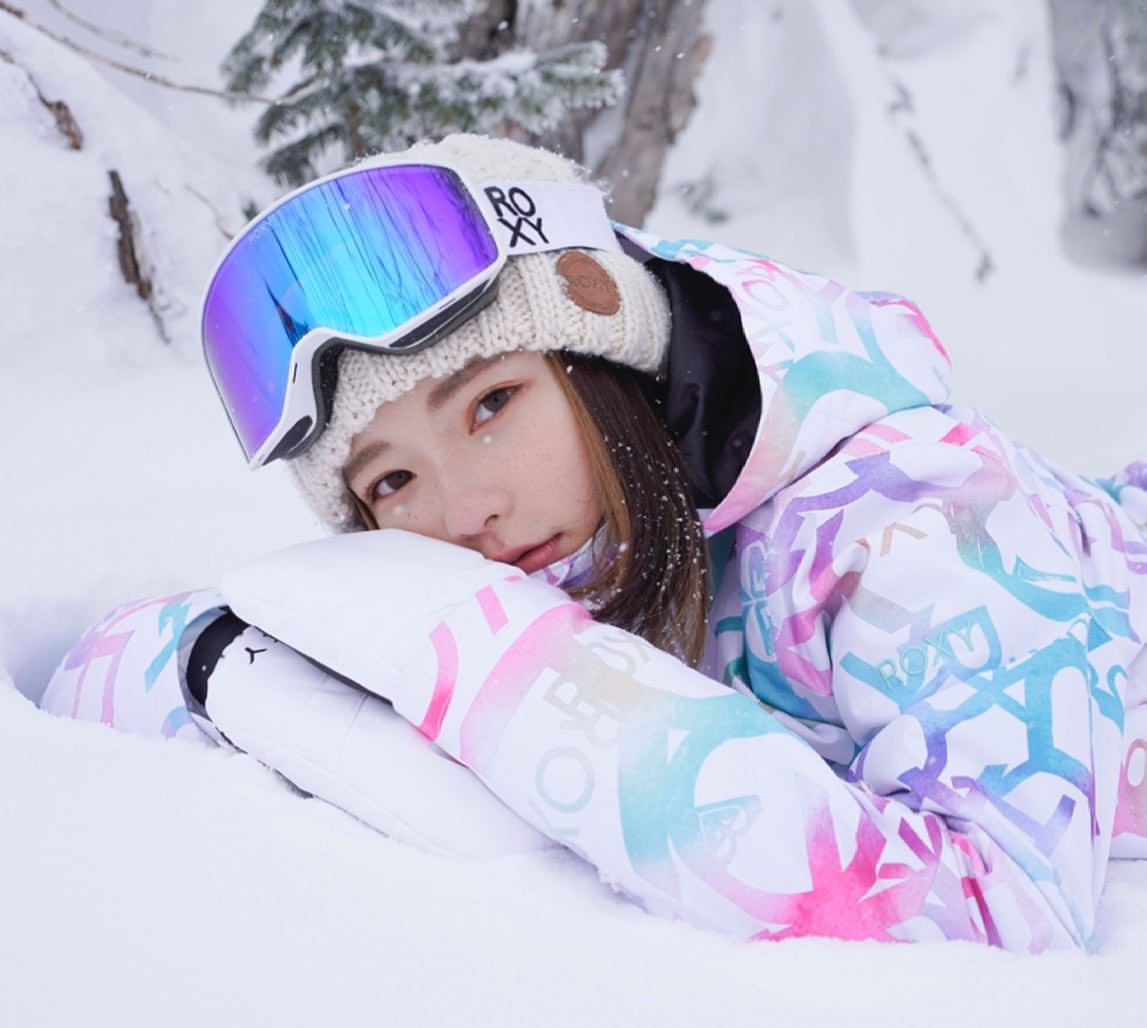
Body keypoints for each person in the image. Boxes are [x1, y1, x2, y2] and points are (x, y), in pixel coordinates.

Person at [41, 133, 1147, 949]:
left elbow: (1005, 909)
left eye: (491, 403)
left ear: (605, 361)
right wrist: (223, 663)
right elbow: (102, 670)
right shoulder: (534, 562)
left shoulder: (913, 514)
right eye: (392, 479)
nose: (464, 509)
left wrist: (561, 707)